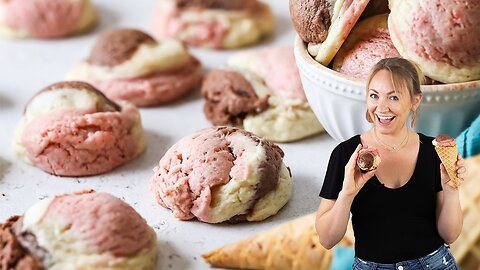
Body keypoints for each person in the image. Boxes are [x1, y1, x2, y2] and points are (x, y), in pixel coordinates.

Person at [316, 57, 467, 270]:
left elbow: (449, 234)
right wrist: (347, 194)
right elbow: (327, 239)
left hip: (435, 264)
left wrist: (451, 190)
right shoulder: (346, 154)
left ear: (415, 101)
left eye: (394, 97)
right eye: (374, 95)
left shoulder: (433, 152)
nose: (382, 107)